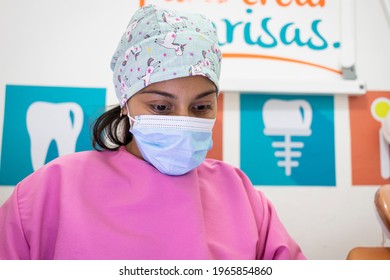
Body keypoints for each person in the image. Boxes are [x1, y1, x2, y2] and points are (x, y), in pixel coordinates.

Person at [0, 4, 306, 260]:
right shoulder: (50, 191)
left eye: (201, 108)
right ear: (125, 103)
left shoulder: (240, 194)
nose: (183, 121)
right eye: (161, 107)